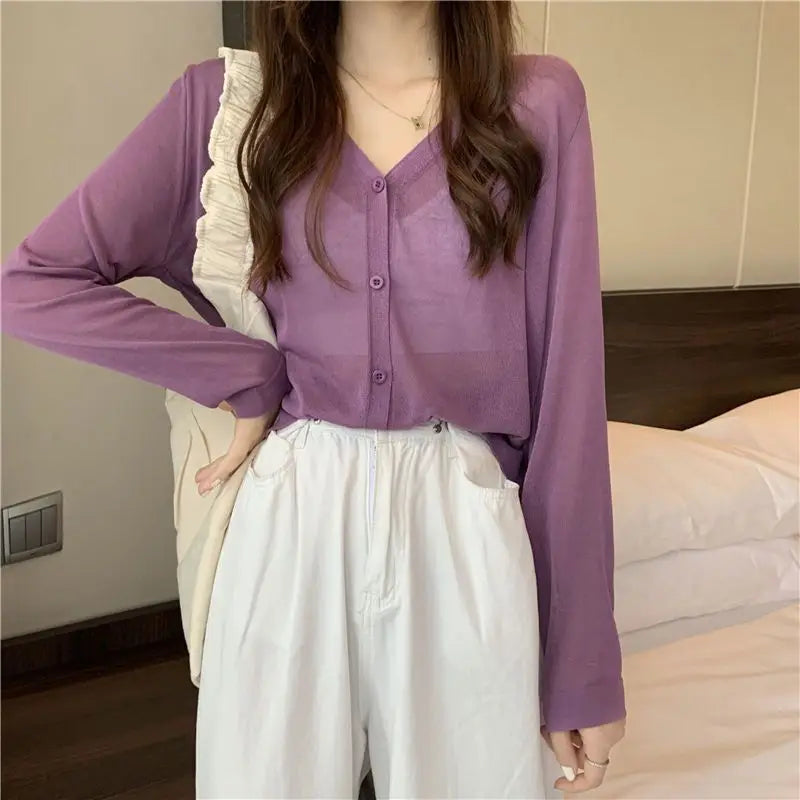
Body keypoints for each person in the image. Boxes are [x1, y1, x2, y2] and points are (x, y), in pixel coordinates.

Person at [1, 1, 626, 797]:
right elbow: (32, 285)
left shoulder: (538, 104)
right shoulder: (229, 107)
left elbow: (570, 392)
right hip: (291, 519)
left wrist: (582, 666)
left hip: (464, 528)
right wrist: (242, 371)